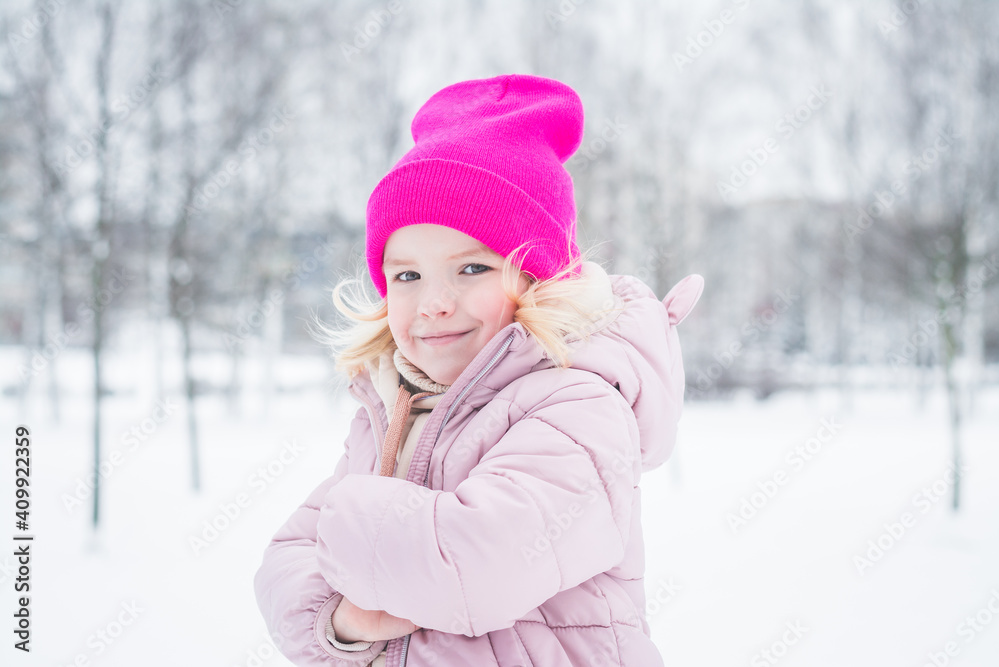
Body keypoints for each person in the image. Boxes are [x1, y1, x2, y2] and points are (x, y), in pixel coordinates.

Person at [253, 73, 703, 666]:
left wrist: (348, 523)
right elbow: (284, 565)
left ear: (539, 277)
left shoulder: (578, 404)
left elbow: (476, 565)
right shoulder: (399, 406)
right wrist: (345, 620)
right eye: (408, 276)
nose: (434, 302)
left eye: (471, 270)